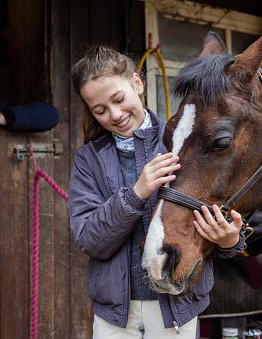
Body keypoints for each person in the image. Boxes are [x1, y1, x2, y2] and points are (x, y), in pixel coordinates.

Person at [68, 45, 245, 338]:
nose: (114, 114)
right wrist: (137, 193)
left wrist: (230, 240)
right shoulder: (88, 159)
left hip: (175, 306)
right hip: (115, 315)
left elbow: (214, 218)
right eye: (99, 110)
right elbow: (89, 239)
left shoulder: (182, 142)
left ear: (137, 84)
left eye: (118, 99)